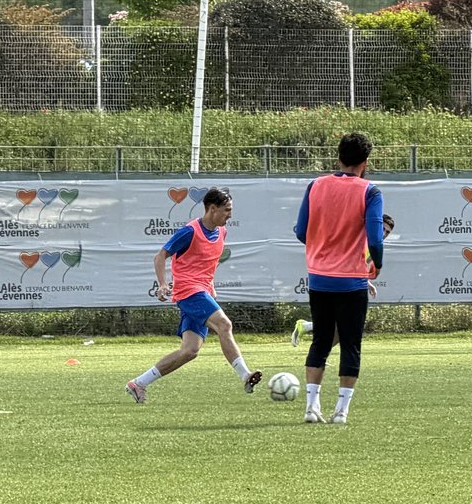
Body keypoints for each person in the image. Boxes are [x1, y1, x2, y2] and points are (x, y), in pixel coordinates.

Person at [125, 187, 261, 403]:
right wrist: (162, 284)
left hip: (202, 291)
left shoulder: (222, 232)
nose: (230, 215)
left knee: (190, 350)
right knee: (225, 325)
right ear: (212, 208)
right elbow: (161, 255)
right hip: (189, 291)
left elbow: (206, 262)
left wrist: (211, 285)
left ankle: (138, 383)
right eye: (227, 210)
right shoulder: (190, 231)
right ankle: (245, 375)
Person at [294, 132, 384, 424]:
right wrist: (377, 264)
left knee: (320, 340)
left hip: (319, 277)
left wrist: (322, 247)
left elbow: (300, 230)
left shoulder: (316, 185)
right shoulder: (369, 191)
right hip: (351, 279)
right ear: (366, 163)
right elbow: (375, 238)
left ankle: (311, 407)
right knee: (350, 342)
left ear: (338, 157)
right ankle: (341, 412)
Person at [292, 214, 395, 347]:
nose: (385, 233)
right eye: (383, 228)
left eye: (388, 232)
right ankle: (315, 347)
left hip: (349, 283)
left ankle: (316, 348)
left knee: (343, 326)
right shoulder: (360, 238)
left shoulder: (373, 245)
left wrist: (368, 283)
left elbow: (357, 268)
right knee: (344, 325)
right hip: (337, 282)